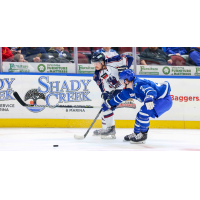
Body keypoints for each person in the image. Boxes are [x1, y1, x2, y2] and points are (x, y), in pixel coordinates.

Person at [101, 69, 173, 143]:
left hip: (164, 99)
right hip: (156, 99)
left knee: (144, 112)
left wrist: (149, 97)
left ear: (126, 81)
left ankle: (143, 135)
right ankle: (136, 134)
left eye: (121, 80)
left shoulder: (138, 83)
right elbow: (119, 98)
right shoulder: (128, 90)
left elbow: (150, 91)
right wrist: (109, 103)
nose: (121, 82)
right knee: (139, 115)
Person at [92, 52, 133, 139]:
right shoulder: (97, 75)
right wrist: (105, 95)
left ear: (103, 61)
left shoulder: (112, 61)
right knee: (104, 105)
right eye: (94, 63)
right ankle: (106, 129)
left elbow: (130, 58)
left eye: (97, 63)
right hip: (113, 91)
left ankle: (110, 129)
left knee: (106, 107)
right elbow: (103, 89)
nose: (95, 65)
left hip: (123, 88)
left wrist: (126, 69)